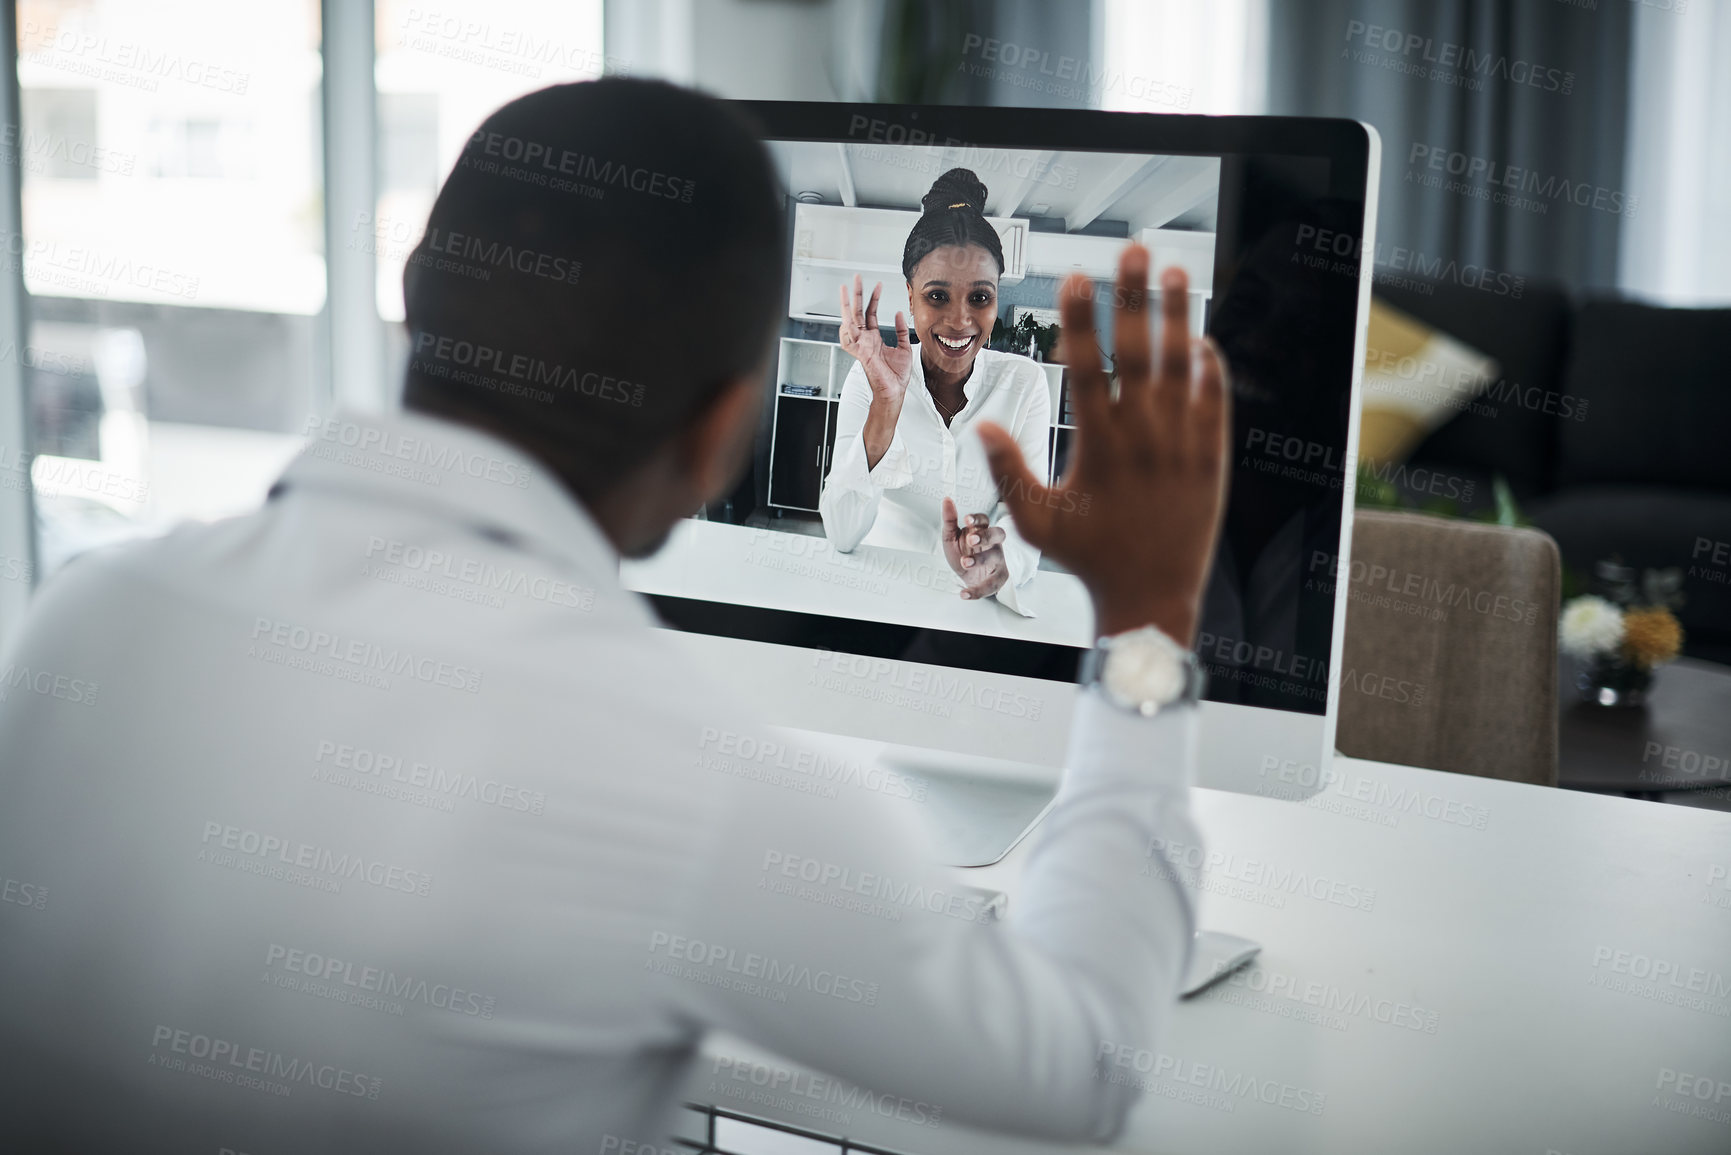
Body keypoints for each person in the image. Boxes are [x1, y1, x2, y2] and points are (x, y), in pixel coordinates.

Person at [0, 78, 1229, 1154]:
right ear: (721, 430)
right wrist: (1152, 626)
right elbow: (1081, 1062)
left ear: (416, 298)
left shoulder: (80, 621)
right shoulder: (691, 785)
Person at [819, 168, 1051, 615]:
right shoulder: (869, 377)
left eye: (980, 298)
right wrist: (887, 404)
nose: (961, 321)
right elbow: (842, 532)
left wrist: (999, 563)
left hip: (976, 610)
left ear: (997, 298)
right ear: (910, 297)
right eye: (937, 297)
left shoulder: (1024, 385)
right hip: (881, 600)